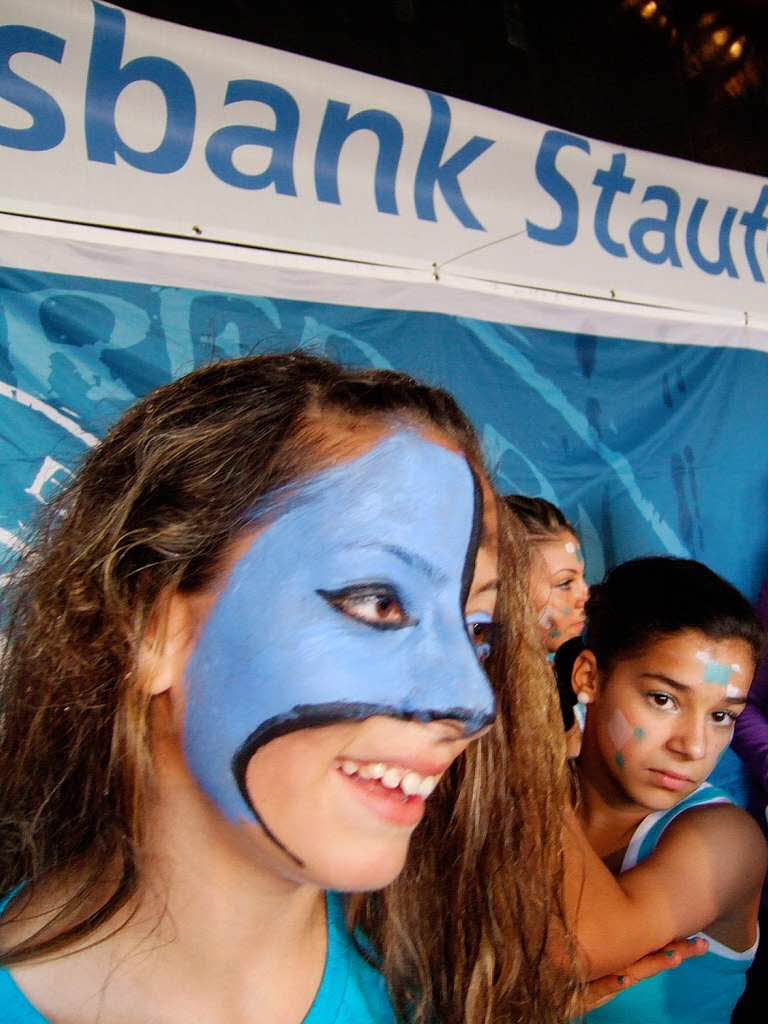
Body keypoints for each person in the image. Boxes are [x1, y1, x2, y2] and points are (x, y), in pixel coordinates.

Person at [0, 353, 579, 1024]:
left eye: (478, 627)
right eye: (377, 602)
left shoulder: (444, 983)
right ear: (149, 625)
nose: (471, 701)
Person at [565, 557, 768, 1023]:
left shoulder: (726, 841)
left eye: (722, 716)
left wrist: (527, 758)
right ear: (589, 678)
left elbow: (583, 946)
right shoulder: (506, 803)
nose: (693, 745)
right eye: (664, 699)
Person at [505, 495, 588, 755]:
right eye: (565, 583)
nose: (584, 595)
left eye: (582, 578)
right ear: (506, 590)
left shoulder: (560, 675)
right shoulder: (504, 698)